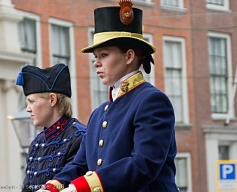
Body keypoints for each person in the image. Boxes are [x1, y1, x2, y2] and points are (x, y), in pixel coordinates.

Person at [37, 0, 178, 191]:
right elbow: (80, 165)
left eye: (103, 55)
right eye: (96, 56)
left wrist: (82, 187)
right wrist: (53, 186)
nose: (96, 62)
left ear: (129, 56)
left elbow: (144, 165)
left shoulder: (151, 101)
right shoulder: (98, 113)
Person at [15, 63, 86, 192]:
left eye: (32, 101)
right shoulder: (37, 143)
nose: (28, 109)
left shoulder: (80, 137)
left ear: (52, 99)